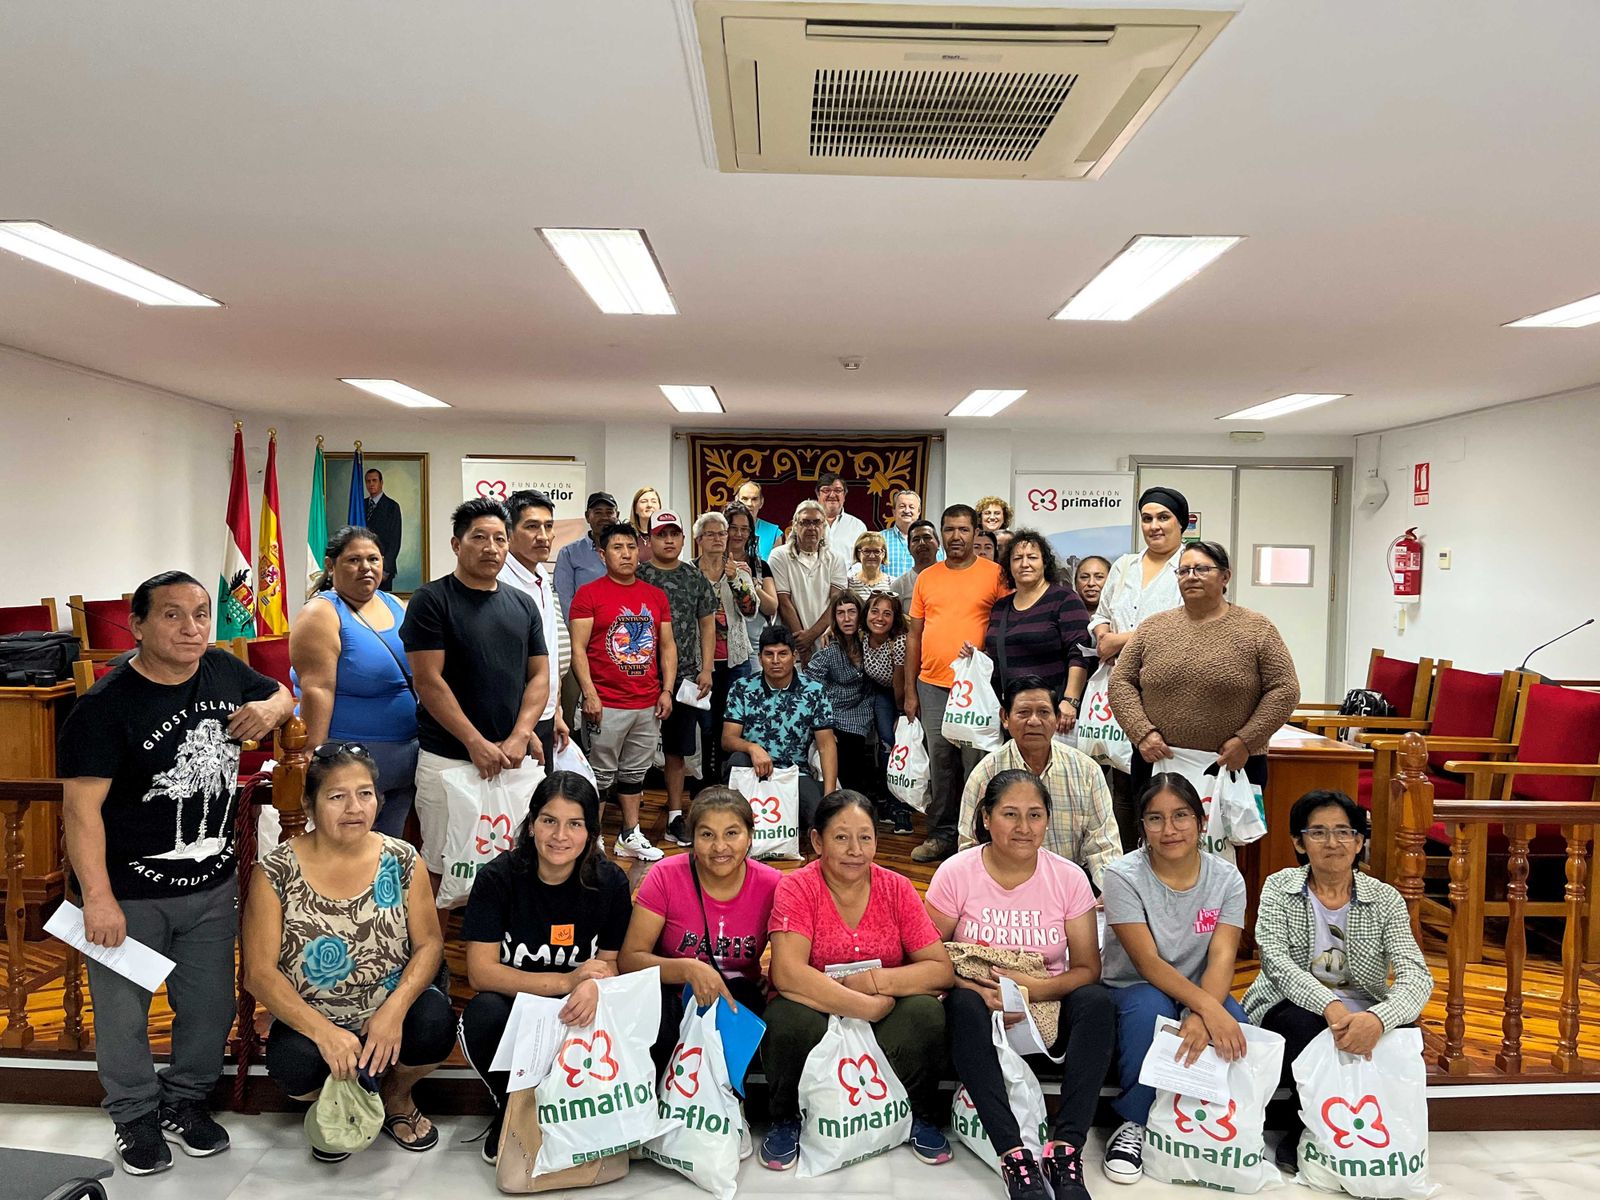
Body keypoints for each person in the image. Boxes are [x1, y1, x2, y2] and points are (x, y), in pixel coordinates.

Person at [59, 570, 294, 1176]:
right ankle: (135, 1115)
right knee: (123, 1014)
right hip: (129, 895)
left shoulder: (220, 668)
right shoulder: (104, 707)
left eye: (200, 614)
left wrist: (268, 708)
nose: (191, 628)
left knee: (211, 1006)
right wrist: (99, 898)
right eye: (172, 615)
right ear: (137, 626)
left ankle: (185, 1103)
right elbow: (81, 812)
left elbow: (283, 691)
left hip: (212, 889)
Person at [244, 745, 451, 1160]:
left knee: (434, 1024)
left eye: (365, 793)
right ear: (309, 804)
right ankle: (339, 1103)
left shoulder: (402, 858)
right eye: (337, 796)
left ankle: (394, 1097)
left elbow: (429, 944)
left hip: (388, 1007)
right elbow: (259, 974)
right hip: (315, 1016)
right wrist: (326, 1033)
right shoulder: (275, 871)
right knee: (294, 1067)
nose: (354, 808)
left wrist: (392, 1012)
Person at [927, 770, 1115, 1200]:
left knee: (1096, 1002)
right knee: (961, 1004)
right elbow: (928, 955)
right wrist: (974, 988)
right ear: (986, 817)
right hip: (979, 1009)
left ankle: (1066, 1150)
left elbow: (1087, 967)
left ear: (1048, 820)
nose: (1023, 827)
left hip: (1044, 1010)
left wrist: (1030, 988)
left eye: (1035, 815)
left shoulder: (1068, 877)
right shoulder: (957, 872)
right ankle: (1014, 1156)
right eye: (1010, 814)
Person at [761, 791, 957, 1171]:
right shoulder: (797, 887)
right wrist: (863, 1005)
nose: (855, 849)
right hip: (817, 1008)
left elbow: (939, 969)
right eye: (841, 837)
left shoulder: (896, 888)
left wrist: (872, 981)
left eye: (865, 837)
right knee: (786, 1018)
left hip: (883, 1007)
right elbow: (787, 972)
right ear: (817, 841)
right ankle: (785, 1118)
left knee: (925, 1012)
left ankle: (918, 1114)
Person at [1245, 790, 1434, 1173]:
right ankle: (1305, 1130)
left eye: (1344, 832)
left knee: (1403, 1029)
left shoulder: (1386, 899)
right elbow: (1277, 963)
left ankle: (1374, 1128)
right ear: (1299, 842)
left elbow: (1416, 974)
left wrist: (1380, 1018)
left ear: (1359, 841)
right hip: (1289, 1005)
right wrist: (1331, 1006)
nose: (1333, 842)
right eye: (1318, 832)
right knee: (1306, 1024)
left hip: (1363, 1007)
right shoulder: (1279, 888)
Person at [458, 771, 634, 1162]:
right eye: (549, 821)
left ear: (590, 831)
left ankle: (577, 1110)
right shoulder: (497, 878)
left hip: (581, 1008)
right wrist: (568, 981)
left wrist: (592, 986)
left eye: (575, 824)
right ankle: (509, 1108)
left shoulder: (609, 883)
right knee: (483, 1013)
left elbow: (610, 964)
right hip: (517, 1008)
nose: (560, 836)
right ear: (532, 823)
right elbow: (481, 973)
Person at [1099, 775, 1250, 1186]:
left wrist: (1205, 1013)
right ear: (1142, 827)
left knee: (1237, 1024)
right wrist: (1203, 1008)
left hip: (1202, 989)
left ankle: (1211, 1126)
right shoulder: (1122, 875)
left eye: (1181, 816)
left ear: (1202, 822)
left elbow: (1222, 955)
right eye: (1156, 818)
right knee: (1151, 1010)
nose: (1169, 830)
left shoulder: (1227, 879)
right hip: (1133, 985)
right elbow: (1147, 962)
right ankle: (1133, 1122)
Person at [401, 498, 550, 885]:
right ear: (456, 544)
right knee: (441, 865)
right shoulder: (431, 601)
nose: (491, 548)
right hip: (450, 759)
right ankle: (432, 946)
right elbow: (429, 681)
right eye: (479, 537)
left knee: (514, 865)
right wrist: (474, 742)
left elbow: (539, 676)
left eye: (500, 538)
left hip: (511, 760)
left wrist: (520, 734)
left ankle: (500, 946)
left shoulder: (523, 604)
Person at [1108, 540, 1301, 807]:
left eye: (1201, 569)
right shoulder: (1152, 628)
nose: (1191, 577)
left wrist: (1246, 741)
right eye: (1183, 571)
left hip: (1234, 763)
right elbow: (1121, 681)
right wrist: (1142, 733)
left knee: (1230, 848)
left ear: (1225, 577)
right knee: (1163, 842)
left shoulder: (1257, 628)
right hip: (1158, 762)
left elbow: (1285, 689)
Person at [619, 786, 781, 1077]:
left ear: (751, 836)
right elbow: (630, 959)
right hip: (673, 999)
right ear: (692, 839)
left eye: (732, 833)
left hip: (736, 1003)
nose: (720, 847)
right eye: (707, 835)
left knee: (749, 998)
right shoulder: (665, 875)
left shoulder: (772, 884)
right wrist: (688, 970)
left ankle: (731, 1102)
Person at [290, 525, 417, 837]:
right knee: (345, 855)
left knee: (388, 855)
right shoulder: (321, 613)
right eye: (354, 560)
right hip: (347, 764)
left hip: (405, 760)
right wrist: (312, 757)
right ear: (331, 565)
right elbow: (318, 689)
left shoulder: (394, 604)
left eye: (373, 559)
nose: (366, 568)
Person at [903, 504, 1009, 863]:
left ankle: (975, 839)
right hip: (932, 684)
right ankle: (941, 835)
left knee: (975, 762)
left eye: (964, 530)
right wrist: (909, 690)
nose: (956, 537)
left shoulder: (994, 574)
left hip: (977, 690)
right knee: (941, 764)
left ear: (976, 532)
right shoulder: (927, 578)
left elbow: (1006, 626)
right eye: (949, 529)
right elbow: (914, 636)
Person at [1088, 488, 1188, 851]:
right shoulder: (1125, 565)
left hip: (1167, 694)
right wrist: (1102, 635)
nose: (1154, 525)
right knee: (1123, 788)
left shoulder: (1188, 568)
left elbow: (1181, 627)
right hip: (1121, 690)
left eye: (1163, 517)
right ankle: (1127, 866)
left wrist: (1119, 642)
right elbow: (1101, 614)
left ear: (1181, 523)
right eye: (1147, 518)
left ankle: (1163, 865)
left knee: (1161, 788)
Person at [568, 522, 674, 862]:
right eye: (617, 547)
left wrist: (667, 690)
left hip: (646, 702)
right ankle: (593, 839)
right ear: (602, 554)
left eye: (631, 546)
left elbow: (667, 647)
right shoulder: (589, 595)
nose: (626, 553)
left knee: (634, 774)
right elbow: (578, 648)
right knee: (599, 775)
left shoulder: (655, 596)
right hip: (606, 703)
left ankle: (630, 835)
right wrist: (589, 693)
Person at [957, 678, 1121, 889]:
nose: (1034, 721)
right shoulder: (985, 774)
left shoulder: (1086, 770)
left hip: (1069, 887)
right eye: (1023, 713)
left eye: (1044, 712)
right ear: (1005, 717)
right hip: (1004, 886)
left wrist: (1111, 892)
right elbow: (969, 847)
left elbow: (1104, 845)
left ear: (1057, 718)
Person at [639, 509, 718, 846]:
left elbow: (707, 623)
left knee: (677, 750)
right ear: (650, 539)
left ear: (684, 539)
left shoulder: (693, 577)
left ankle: (674, 815)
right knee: (634, 749)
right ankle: (629, 819)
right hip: (639, 675)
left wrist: (706, 667)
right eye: (661, 534)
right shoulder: (638, 576)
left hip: (685, 677)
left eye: (674, 534)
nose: (668, 540)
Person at [723, 625, 839, 831]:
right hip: (754, 767)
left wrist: (828, 796)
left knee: (818, 821)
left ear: (794, 656)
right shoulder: (741, 688)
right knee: (736, 760)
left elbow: (826, 745)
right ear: (760, 658)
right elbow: (728, 739)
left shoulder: (814, 691)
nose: (775, 661)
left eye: (783, 654)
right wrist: (753, 748)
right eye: (769, 654)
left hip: (794, 772)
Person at [984, 530, 1092, 732]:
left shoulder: (1065, 599)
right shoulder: (1000, 607)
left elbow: (1080, 653)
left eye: (1032, 557)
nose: (1025, 564)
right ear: (1009, 566)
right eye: (1017, 558)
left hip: (1054, 713)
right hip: (1012, 714)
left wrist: (1070, 700)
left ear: (1045, 563)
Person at [498, 491, 571, 765]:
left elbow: (549, 649)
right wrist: (523, 730)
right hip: (515, 723)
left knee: (541, 802)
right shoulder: (500, 581)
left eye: (548, 526)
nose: (543, 535)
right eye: (531, 526)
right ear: (509, 532)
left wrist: (556, 709)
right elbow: (502, 666)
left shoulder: (540, 573)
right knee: (515, 805)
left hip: (544, 713)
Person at [693, 509, 757, 798]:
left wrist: (737, 580)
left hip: (735, 660)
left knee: (730, 723)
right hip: (700, 662)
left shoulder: (740, 569)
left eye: (722, 533)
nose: (719, 539)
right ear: (699, 540)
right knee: (705, 726)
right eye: (711, 534)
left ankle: (726, 781)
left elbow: (750, 609)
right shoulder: (689, 572)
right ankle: (705, 779)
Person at [804, 595, 880, 801]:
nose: (846, 618)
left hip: (861, 711)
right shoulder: (830, 651)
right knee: (842, 753)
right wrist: (822, 725)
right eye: (840, 613)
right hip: (833, 714)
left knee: (855, 751)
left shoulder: (870, 643)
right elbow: (809, 687)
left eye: (851, 612)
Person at [861, 592, 914, 836]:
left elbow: (900, 685)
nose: (879, 618)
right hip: (878, 692)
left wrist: (900, 716)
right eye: (874, 611)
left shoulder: (899, 643)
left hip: (900, 695)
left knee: (895, 744)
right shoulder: (861, 636)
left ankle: (901, 806)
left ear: (895, 619)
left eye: (887, 613)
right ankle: (886, 800)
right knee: (884, 745)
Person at [768, 498, 847, 660]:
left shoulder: (836, 559)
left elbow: (836, 601)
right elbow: (784, 602)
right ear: (795, 526)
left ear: (824, 526)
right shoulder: (779, 556)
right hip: (791, 644)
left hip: (826, 641)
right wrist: (802, 645)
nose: (811, 527)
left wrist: (810, 636)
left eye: (817, 522)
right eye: (805, 522)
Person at [725, 501, 779, 672]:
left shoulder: (760, 566)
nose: (739, 534)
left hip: (755, 648)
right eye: (733, 528)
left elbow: (771, 607)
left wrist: (751, 583)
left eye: (744, 529)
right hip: (721, 647)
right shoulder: (711, 564)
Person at [553, 491, 620, 615]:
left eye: (609, 512)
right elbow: (564, 600)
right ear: (587, 516)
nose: (604, 517)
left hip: (623, 628)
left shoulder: (628, 551)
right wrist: (576, 631)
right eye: (598, 512)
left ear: (617, 515)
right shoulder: (569, 553)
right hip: (586, 629)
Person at [364, 467, 404, 590]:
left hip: (382, 570)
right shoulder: (361, 505)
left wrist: (385, 570)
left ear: (381, 483)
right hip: (362, 567)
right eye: (368, 481)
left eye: (374, 480)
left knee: (381, 606)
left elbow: (395, 541)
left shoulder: (392, 507)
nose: (371, 484)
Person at [891, 517, 942, 607]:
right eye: (916, 539)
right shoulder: (899, 586)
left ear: (938, 544)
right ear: (909, 549)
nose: (922, 543)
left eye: (927, 537)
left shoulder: (952, 577)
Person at [883, 489, 934, 577]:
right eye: (902, 506)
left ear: (918, 512)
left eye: (911, 507)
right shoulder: (880, 539)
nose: (907, 511)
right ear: (894, 512)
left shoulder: (932, 542)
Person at [816, 470, 868, 554]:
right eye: (826, 490)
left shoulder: (858, 526)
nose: (832, 495)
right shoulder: (806, 524)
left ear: (844, 495)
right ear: (818, 495)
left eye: (837, 490)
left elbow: (862, 558)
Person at [735, 479, 785, 560]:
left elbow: (776, 569)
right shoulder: (725, 529)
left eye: (754, 499)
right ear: (736, 501)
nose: (749, 504)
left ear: (761, 503)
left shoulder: (774, 533)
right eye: (744, 499)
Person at [846, 530, 895, 603]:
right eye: (866, 551)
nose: (872, 556)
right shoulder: (849, 583)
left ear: (883, 554)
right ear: (858, 553)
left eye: (876, 551)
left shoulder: (892, 583)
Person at [631, 485, 664, 554]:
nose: (649, 505)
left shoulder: (667, 534)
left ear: (659, 507)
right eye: (644, 501)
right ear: (635, 509)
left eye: (654, 501)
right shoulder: (627, 535)